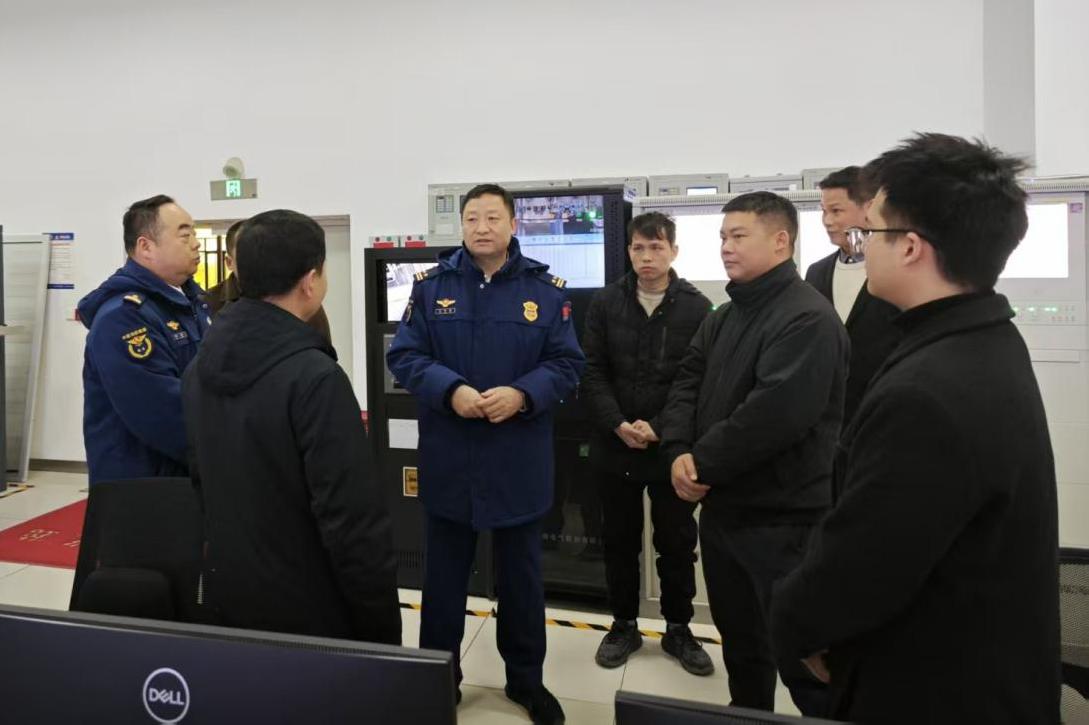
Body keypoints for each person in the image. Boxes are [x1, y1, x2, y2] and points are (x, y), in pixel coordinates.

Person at [771, 133, 1060, 724]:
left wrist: (794, 626)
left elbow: (860, 568)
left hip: (935, 689)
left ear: (909, 247)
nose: (860, 246)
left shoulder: (925, 394)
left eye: (870, 231)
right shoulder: (986, 339)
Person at [387, 183, 584, 724]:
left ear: (513, 225)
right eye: (472, 217)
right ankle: (438, 680)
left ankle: (527, 681)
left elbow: (568, 364)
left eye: (492, 217)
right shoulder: (431, 288)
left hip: (517, 458)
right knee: (443, 583)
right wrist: (451, 389)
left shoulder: (546, 292)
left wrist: (523, 394)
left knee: (522, 582)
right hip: (451, 457)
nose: (481, 227)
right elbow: (405, 355)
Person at [658, 191, 848, 716]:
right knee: (742, 648)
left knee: (803, 659)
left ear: (781, 241)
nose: (726, 247)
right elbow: (687, 381)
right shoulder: (726, 314)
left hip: (785, 523)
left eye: (738, 236)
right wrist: (677, 449)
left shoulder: (807, 318)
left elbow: (775, 414)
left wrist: (700, 464)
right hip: (725, 514)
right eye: (723, 237)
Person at [182, 209, 400, 645]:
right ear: (310, 281)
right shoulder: (315, 379)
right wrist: (380, 630)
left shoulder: (198, 367)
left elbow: (201, 478)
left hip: (230, 593)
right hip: (310, 609)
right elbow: (350, 521)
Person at [581, 211, 714, 675]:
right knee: (618, 542)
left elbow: (695, 382)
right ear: (629, 252)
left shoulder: (697, 308)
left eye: (656, 247)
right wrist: (618, 423)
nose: (647, 257)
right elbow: (592, 372)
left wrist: (659, 427)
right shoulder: (605, 303)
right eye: (638, 247)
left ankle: (679, 629)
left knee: (676, 543)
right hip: (614, 443)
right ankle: (623, 625)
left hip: (670, 447)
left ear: (674, 251)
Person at [79, 194, 210, 484]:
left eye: (194, 234)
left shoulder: (192, 302)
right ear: (146, 247)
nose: (196, 243)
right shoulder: (124, 317)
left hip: (185, 475)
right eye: (185, 235)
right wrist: (227, 455)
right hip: (145, 484)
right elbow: (161, 413)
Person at [805, 166, 901, 439]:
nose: (827, 221)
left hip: (883, 411)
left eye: (836, 211)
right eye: (823, 211)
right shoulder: (816, 273)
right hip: (827, 418)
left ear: (869, 208)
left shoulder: (896, 270)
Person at [205, 218, 332, 342]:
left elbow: (322, 345)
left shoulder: (296, 296)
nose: (255, 261)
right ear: (229, 262)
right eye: (245, 257)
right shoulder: (208, 303)